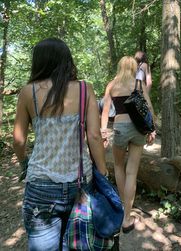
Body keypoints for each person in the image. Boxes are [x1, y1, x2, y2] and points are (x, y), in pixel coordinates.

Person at [13, 37, 107, 251]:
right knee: (79, 243)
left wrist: (24, 164)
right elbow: (93, 135)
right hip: (81, 182)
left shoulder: (28, 93)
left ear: (38, 62)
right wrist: (102, 172)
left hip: (41, 185)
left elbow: (18, 140)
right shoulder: (85, 89)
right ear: (67, 60)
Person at [101, 56, 156, 234]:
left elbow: (104, 110)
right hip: (138, 129)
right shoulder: (138, 83)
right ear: (133, 67)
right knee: (132, 171)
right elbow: (148, 107)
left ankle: (123, 209)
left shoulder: (112, 85)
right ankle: (127, 217)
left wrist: (103, 131)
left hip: (120, 128)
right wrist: (152, 129)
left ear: (119, 67)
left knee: (118, 166)